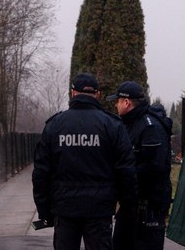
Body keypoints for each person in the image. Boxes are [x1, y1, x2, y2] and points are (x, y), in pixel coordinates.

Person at [32, 73, 137, 250]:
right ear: (98, 95)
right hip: (99, 209)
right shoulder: (112, 125)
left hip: (64, 208)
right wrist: (127, 206)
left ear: (73, 93)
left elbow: (41, 172)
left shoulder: (55, 125)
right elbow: (126, 170)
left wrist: (44, 210)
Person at [107, 81, 172, 250]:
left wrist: (123, 175)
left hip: (149, 204)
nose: (115, 104)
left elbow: (154, 168)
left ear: (126, 102)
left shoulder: (150, 127)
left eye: (117, 101)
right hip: (131, 202)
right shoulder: (129, 123)